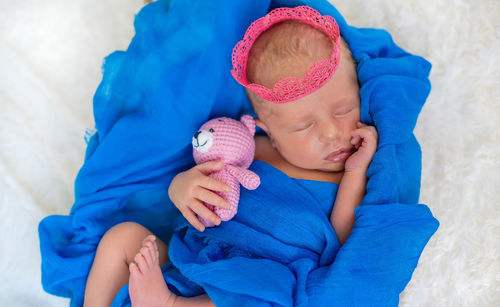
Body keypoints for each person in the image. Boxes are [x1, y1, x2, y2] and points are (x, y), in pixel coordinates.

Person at [83, 6, 378, 307]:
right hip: (200, 263)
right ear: (269, 132)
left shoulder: (351, 173)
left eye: (344, 110)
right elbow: (199, 173)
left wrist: (355, 172)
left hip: (267, 280)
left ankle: (172, 304)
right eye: (304, 126)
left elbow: (342, 239)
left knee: (261, 286)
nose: (332, 132)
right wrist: (182, 188)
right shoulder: (249, 148)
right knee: (120, 239)